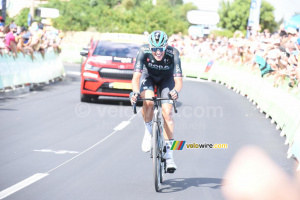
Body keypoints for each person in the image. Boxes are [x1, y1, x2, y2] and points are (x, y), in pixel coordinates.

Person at [130, 30, 183, 173]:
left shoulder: (174, 53)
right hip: (149, 77)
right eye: (154, 49)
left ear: (166, 46)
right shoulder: (143, 50)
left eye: (161, 49)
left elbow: (178, 81)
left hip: (167, 80)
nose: (158, 52)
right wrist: (135, 93)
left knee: (168, 113)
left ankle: (170, 156)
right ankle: (148, 132)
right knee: (148, 102)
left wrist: (175, 91)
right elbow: (136, 78)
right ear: (150, 46)